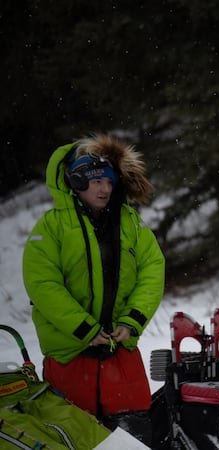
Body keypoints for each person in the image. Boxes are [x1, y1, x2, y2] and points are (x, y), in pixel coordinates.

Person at [22, 134, 165, 444]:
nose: (105, 188)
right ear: (75, 183)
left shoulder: (131, 223)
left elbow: (153, 269)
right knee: (76, 434)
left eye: (109, 181)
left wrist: (132, 320)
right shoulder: (50, 228)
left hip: (120, 350)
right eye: (95, 181)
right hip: (70, 354)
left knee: (134, 436)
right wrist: (83, 327)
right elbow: (43, 285)